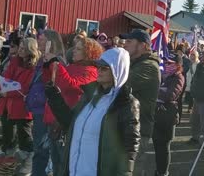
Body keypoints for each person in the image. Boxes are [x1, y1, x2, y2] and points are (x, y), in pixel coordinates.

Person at [45, 48, 140, 176]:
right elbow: (70, 124)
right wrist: (54, 97)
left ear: (118, 70)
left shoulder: (126, 104)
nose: (98, 71)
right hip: (74, 170)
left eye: (104, 68)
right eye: (98, 66)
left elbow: (129, 149)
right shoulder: (89, 96)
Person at [41, 37, 103, 175]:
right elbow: (49, 83)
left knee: (65, 165)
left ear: (89, 53)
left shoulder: (91, 71)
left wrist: (55, 63)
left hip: (67, 123)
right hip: (54, 119)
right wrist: (47, 66)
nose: (73, 51)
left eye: (78, 49)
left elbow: (71, 85)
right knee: (55, 163)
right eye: (75, 47)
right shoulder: (71, 67)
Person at [121, 28, 161, 176]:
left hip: (138, 129)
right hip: (128, 125)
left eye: (130, 41)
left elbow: (121, 85)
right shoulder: (135, 63)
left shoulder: (148, 66)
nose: (125, 45)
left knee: (132, 170)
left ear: (143, 45)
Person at [0, 38, 39, 174]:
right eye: (19, 47)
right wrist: (1, 89)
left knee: (24, 134)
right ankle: (8, 158)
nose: (19, 50)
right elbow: (6, 78)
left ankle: (28, 161)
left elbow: (25, 88)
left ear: (30, 50)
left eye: (23, 48)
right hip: (8, 104)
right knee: (8, 131)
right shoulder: (14, 62)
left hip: (22, 106)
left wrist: (6, 93)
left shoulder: (33, 67)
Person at [32, 30, 66, 176]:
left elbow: (55, 85)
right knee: (40, 148)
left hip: (48, 110)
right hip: (39, 108)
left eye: (42, 39)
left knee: (43, 149)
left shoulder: (57, 61)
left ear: (51, 43)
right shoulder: (42, 60)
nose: (39, 42)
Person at [153, 54, 185, 176]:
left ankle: (163, 172)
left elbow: (170, 95)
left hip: (168, 117)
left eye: (170, 63)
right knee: (157, 145)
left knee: (164, 148)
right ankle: (158, 170)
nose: (167, 65)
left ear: (178, 65)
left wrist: (157, 91)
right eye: (166, 62)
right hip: (157, 115)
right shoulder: (162, 76)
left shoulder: (178, 78)